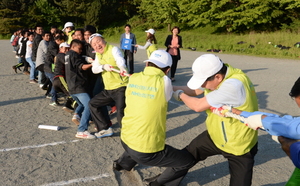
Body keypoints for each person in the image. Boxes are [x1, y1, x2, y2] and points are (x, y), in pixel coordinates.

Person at [150, 54, 259, 186]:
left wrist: (179, 95)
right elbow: (195, 90)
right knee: (185, 156)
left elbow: (198, 106)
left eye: (203, 82)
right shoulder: (220, 74)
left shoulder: (233, 85)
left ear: (218, 77)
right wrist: (169, 88)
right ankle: (162, 182)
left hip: (239, 144)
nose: (202, 85)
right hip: (216, 136)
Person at [113, 50, 196, 185]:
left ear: (147, 65)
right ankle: (159, 183)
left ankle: (121, 164)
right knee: (186, 161)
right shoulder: (165, 81)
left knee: (135, 138)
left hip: (125, 138)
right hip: (145, 150)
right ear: (167, 70)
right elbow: (173, 92)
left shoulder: (134, 77)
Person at [88, 33, 128, 138]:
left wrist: (122, 67)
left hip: (121, 87)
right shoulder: (98, 54)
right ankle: (104, 128)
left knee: (120, 113)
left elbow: (120, 59)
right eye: (94, 44)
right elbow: (94, 69)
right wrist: (103, 67)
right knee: (93, 103)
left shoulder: (113, 49)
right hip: (109, 89)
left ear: (104, 40)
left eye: (98, 41)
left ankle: (129, 135)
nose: (97, 45)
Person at [65, 39, 95, 139]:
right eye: (79, 48)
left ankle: (76, 115)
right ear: (73, 47)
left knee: (82, 104)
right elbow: (81, 67)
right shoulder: (74, 54)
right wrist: (93, 64)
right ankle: (82, 130)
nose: (80, 51)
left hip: (71, 87)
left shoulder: (67, 55)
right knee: (90, 105)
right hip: (78, 86)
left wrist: (85, 58)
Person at [52, 42, 74, 112]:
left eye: (68, 48)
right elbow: (67, 63)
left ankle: (67, 105)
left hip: (57, 78)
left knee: (68, 93)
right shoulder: (61, 55)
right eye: (65, 48)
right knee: (71, 93)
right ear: (60, 48)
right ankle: (77, 111)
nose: (67, 50)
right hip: (60, 77)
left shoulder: (59, 55)